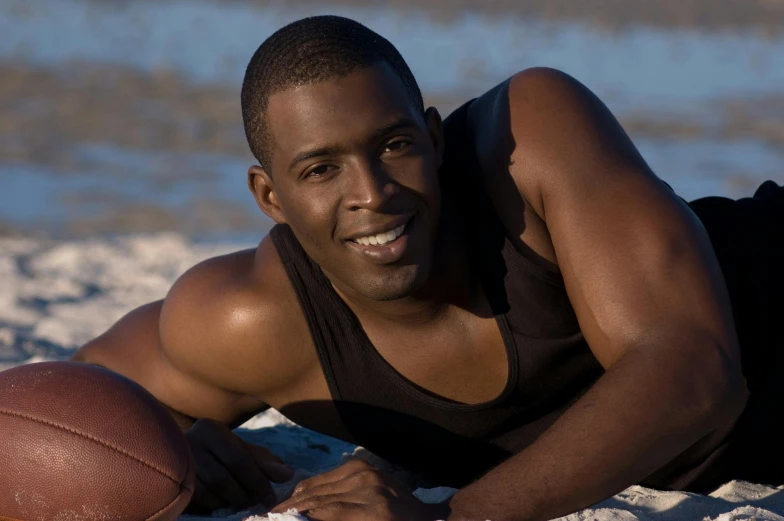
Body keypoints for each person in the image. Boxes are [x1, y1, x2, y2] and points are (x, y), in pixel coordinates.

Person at [72, 15, 784, 521]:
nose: (372, 194)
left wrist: (459, 516)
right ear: (270, 196)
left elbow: (693, 369)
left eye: (394, 146)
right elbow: (66, 398)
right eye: (321, 169)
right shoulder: (257, 320)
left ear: (435, 138)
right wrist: (163, 442)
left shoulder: (527, 135)